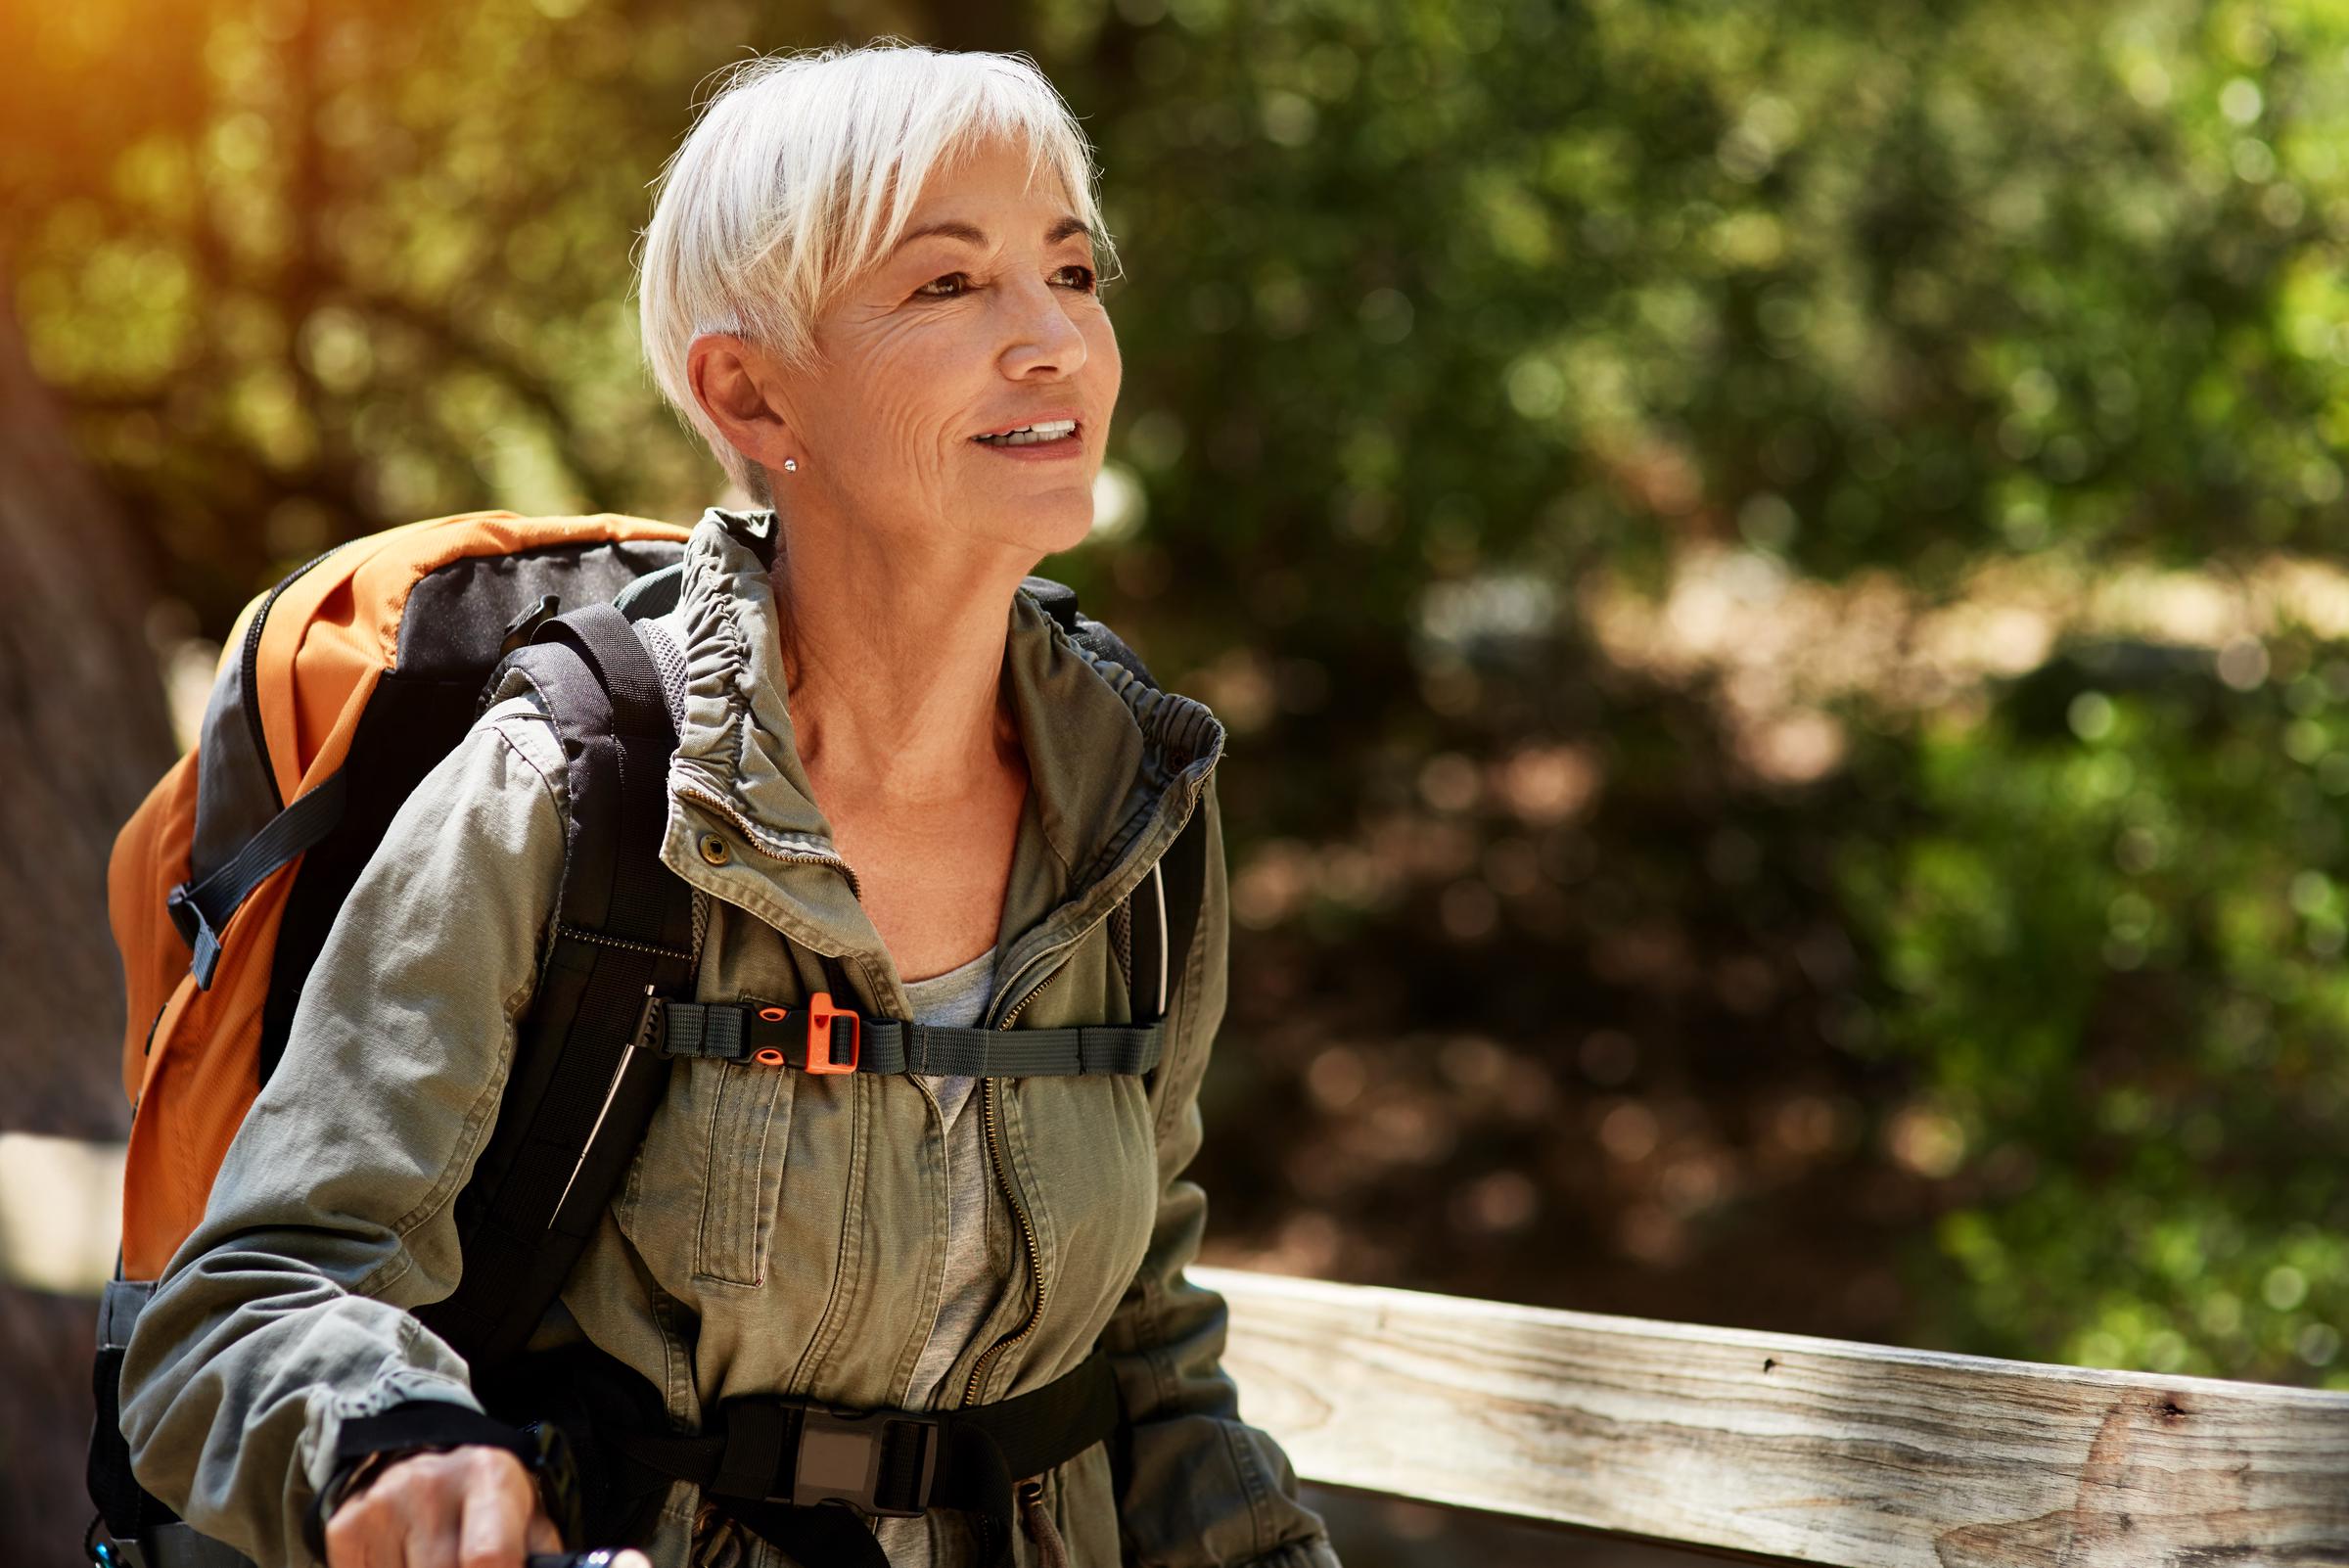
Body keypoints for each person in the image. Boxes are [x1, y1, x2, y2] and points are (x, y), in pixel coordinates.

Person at [117, 37, 1341, 1568]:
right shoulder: (573, 786)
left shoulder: (1140, 810)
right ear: (751, 389)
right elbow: (256, 1297)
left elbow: (1145, 1359)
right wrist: (401, 1445)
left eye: (1074, 273)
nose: (1054, 344)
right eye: (948, 287)